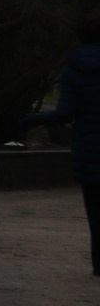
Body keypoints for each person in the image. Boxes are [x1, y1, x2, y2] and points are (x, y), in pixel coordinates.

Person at [27, 25, 100, 277]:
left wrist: (35, 119)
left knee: (93, 207)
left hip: (89, 148)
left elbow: (65, 113)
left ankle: (99, 263)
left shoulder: (74, 70)